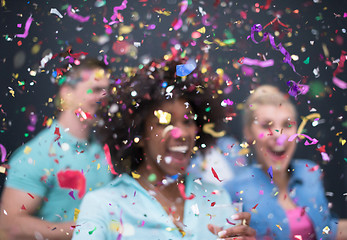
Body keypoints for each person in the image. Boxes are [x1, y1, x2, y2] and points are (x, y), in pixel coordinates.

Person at [72, 58, 256, 240]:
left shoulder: (217, 198)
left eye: (188, 121)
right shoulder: (103, 206)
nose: (181, 133)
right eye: (164, 122)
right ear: (138, 135)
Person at [0, 57, 113, 239]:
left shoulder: (100, 149)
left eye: (107, 91)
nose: (103, 97)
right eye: (96, 90)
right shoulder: (38, 154)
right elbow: (8, 226)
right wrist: (84, 230)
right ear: (67, 93)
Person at [224, 85, 347, 239]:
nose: (279, 136)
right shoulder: (233, 190)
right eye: (266, 125)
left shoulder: (310, 172)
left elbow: (329, 229)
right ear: (248, 133)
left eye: (287, 125)